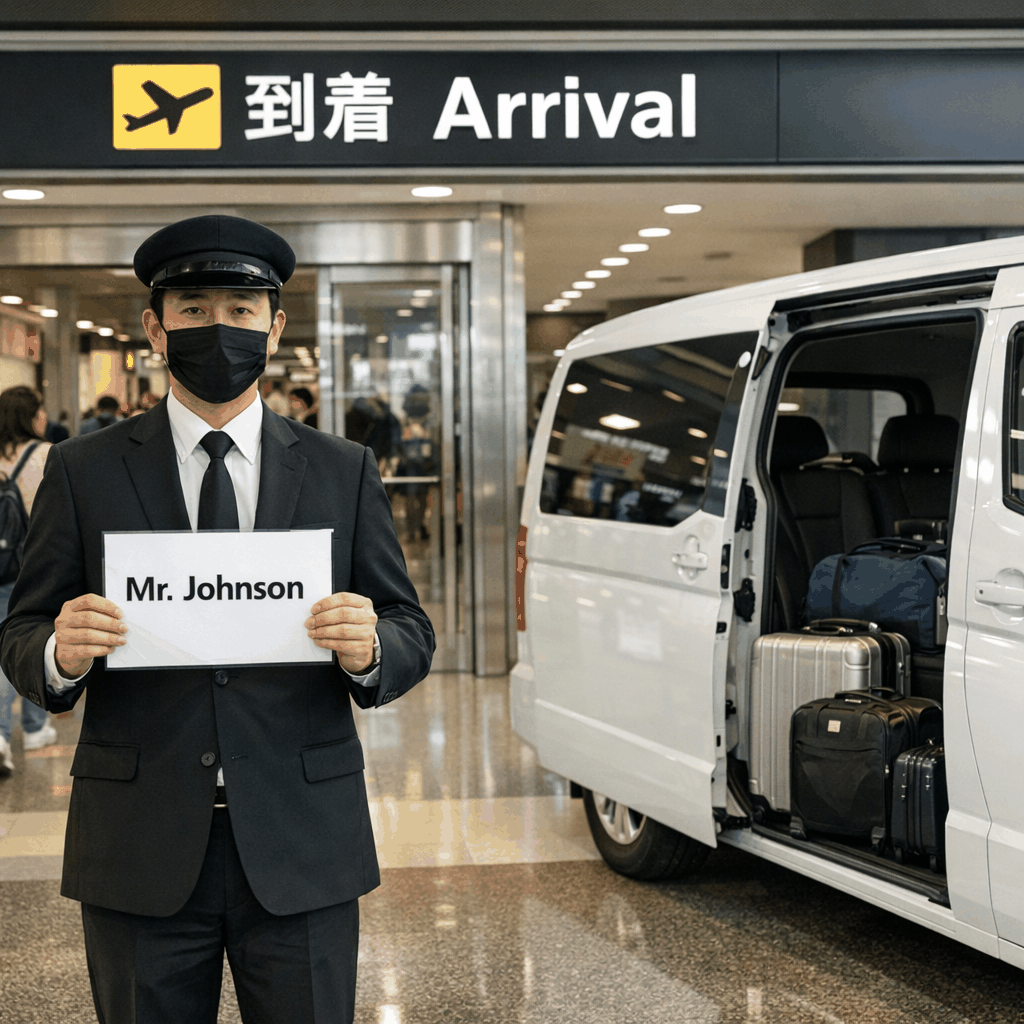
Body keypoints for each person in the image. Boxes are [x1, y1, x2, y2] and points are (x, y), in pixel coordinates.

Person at [0, 215, 435, 1023]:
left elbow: (411, 625)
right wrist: (59, 652)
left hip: (303, 839)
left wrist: (372, 646)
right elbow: (20, 631)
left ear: (274, 327)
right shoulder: (84, 470)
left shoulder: (341, 470)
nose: (218, 328)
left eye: (240, 310)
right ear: (154, 327)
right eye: (194, 309)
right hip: (138, 844)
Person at [0, 386, 57, 774]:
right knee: (37, 638)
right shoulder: (47, 454)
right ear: (32, 416)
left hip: (1, 564)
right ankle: (32, 727)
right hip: (33, 565)